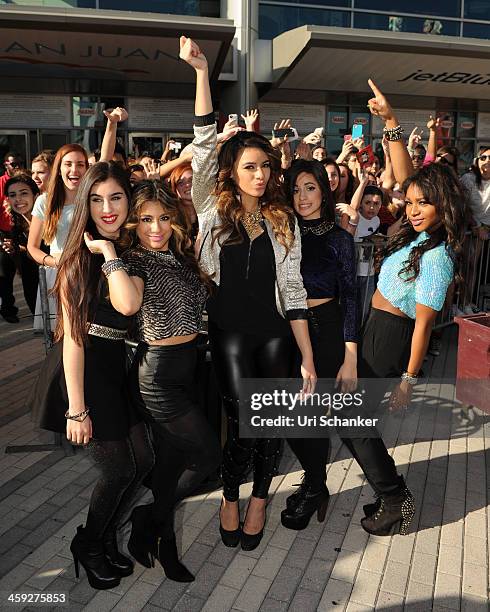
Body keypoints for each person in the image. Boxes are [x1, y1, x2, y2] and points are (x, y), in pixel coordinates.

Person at [181, 35, 316, 551]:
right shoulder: (213, 212)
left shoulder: (283, 219)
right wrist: (199, 73)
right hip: (229, 333)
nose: (260, 175)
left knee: (270, 424)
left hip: (276, 336)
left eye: (265, 167)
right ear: (232, 172)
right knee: (242, 422)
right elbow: (201, 145)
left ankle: (260, 499)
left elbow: (293, 285)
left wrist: (305, 356)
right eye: (250, 167)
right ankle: (231, 497)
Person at [348, 79, 468, 535]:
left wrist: (408, 381)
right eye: (412, 203)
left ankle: (396, 497)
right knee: (351, 421)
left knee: (355, 424)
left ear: (444, 205)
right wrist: (392, 123)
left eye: (424, 203)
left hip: (391, 340)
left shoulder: (437, 255)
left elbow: (423, 326)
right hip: (372, 327)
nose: (414, 208)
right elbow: (402, 176)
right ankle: (391, 493)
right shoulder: (416, 234)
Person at [29, 162, 154, 589]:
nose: (107, 208)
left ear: (128, 200)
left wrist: (110, 253)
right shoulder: (73, 258)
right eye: (97, 199)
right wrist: (77, 410)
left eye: (116, 197)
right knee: (119, 468)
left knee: (143, 462)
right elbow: (74, 340)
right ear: (86, 202)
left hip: (116, 365)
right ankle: (90, 544)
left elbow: (127, 306)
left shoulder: (128, 252)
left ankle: (97, 538)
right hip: (80, 371)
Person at [121, 180, 221, 582]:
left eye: (163, 219)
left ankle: (163, 540)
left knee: (173, 461)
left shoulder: (181, 257)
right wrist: (111, 256)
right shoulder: (133, 261)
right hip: (157, 376)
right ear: (134, 223)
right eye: (145, 220)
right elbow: (127, 303)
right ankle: (150, 517)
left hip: (190, 368)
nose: (155, 228)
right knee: (208, 457)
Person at [281, 159, 357, 530]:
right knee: (289, 416)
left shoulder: (339, 238)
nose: (303, 196)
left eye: (310, 187)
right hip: (288, 329)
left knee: (310, 414)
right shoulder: (283, 233)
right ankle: (315, 480)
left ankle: (314, 487)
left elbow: (352, 298)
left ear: (323, 192)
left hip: (325, 328)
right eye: (295, 189)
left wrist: (350, 355)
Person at [27, 144, 88, 331]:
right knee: (62, 336)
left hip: (89, 271)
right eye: (68, 164)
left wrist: (112, 125)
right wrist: (54, 261)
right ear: (58, 168)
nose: (74, 170)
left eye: (80, 164)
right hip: (58, 274)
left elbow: (105, 157)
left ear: (87, 168)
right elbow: (32, 247)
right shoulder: (45, 201)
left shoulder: (93, 197)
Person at [3, 174, 44, 315]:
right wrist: (15, 250)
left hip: (53, 286)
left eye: (24, 193)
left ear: (36, 195)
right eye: (12, 195)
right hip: (32, 286)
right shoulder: (17, 226)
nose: (18, 199)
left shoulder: (50, 222)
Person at [169, 163, 198, 241]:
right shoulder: (172, 218)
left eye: (191, 180)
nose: (188, 185)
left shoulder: (210, 211)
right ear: (175, 189)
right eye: (180, 183)